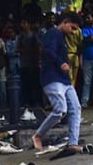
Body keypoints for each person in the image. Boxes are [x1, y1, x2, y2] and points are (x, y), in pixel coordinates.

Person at [34, 11, 84, 153]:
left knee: (75, 108)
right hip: (52, 77)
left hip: (64, 79)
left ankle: (73, 143)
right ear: (65, 22)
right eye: (72, 28)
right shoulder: (52, 33)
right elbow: (47, 50)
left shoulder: (61, 36)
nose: (73, 32)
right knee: (60, 109)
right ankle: (38, 135)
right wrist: (61, 63)